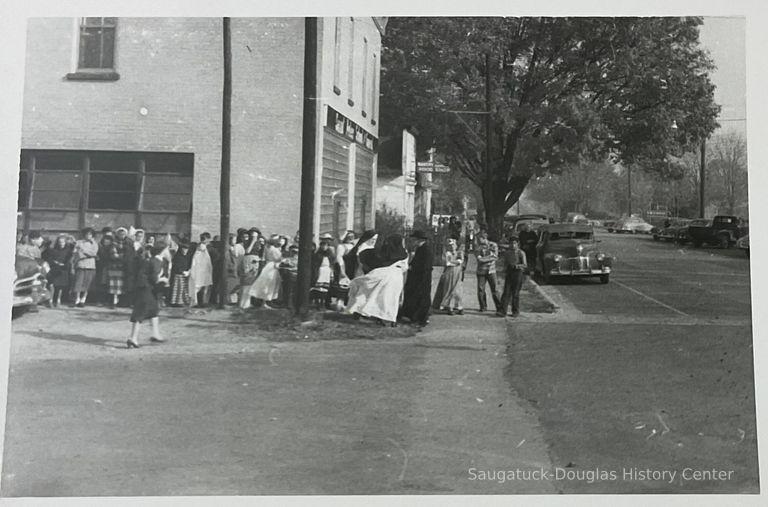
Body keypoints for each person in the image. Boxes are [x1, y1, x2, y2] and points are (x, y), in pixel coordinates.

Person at [345, 234, 409, 326]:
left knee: (366, 291)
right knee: (391, 298)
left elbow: (374, 260)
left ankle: (358, 311)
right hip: (397, 277)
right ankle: (390, 319)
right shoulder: (404, 254)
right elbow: (405, 268)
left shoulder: (385, 252)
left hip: (382, 274)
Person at [127, 239, 170, 348]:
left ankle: (155, 334)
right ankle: (133, 338)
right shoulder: (155, 261)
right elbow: (154, 278)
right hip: (145, 289)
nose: (168, 251)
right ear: (163, 250)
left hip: (148, 289)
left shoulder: (157, 260)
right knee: (141, 312)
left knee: (154, 310)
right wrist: (164, 280)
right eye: (167, 249)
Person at [399, 230, 433, 327]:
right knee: (415, 296)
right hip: (417, 277)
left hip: (422, 277)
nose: (412, 242)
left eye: (414, 240)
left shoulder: (425, 250)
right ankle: (413, 316)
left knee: (421, 297)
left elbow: (425, 266)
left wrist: (413, 268)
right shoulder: (420, 249)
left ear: (419, 240)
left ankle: (421, 318)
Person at [246, 235, 283, 308]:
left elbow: (264, 257)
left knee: (266, 283)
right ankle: (265, 302)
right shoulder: (274, 249)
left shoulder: (266, 248)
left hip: (267, 265)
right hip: (273, 266)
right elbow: (278, 259)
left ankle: (264, 302)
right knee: (269, 283)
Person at [431, 237, 464, 315]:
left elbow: (461, 261)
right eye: (450, 245)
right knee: (449, 289)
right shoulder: (447, 253)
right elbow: (447, 263)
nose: (452, 247)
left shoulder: (459, 252)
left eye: (453, 245)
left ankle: (459, 306)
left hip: (458, 273)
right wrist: (456, 262)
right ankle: (449, 307)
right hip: (449, 273)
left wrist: (455, 262)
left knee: (458, 290)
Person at [498, 235, 527, 318]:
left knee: (515, 293)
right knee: (506, 292)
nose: (513, 245)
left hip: (518, 274)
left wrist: (517, 266)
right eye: (511, 243)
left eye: (514, 243)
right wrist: (503, 272)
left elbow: (525, 265)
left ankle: (515, 311)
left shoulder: (521, 253)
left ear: (517, 244)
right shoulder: (507, 253)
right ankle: (503, 311)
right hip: (509, 273)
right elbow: (505, 264)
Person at [71, 228, 99, 307]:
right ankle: (77, 299)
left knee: (88, 283)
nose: (88, 236)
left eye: (90, 234)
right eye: (87, 234)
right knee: (78, 282)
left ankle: (83, 299)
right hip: (81, 264)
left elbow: (94, 253)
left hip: (90, 265)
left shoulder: (94, 243)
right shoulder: (79, 242)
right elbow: (75, 253)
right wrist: (84, 254)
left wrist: (83, 251)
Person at [474, 230, 501, 313]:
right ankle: (483, 306)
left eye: (479, 239)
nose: (477, 241)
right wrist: (489, 258)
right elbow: (479, 260)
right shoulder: (478, 247)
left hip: (491, 270)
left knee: (495, 289)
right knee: (481, 289)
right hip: (481, 271)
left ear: (483, 238)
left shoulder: (493, 245)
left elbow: (495, 257)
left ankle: (499, 307)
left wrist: (485, 259)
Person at [43, 235, 72, 307]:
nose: (61, 243)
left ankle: (58, 301)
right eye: (59, 242)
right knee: (52, 285)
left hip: (63, 270)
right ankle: (50, 300)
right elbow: (49, 259)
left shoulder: (68, 251)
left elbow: (69, 261)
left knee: (60, 287)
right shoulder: (53, 250)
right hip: (54, 269)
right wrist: (55, 262)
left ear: (65, 243)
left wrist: (64, 265)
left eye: (63, 242)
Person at [189, 232, 214, 307]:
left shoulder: (204, 248)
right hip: (201, 269)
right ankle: (200, 302)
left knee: (203, 285)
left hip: (203, 269)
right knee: (200, 285)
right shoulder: (202, 247)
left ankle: (202, 302)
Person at [169, 238, 192, 307]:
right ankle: (177, 302)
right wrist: (182, 271)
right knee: (179, 288)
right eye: (183, 249)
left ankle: (183, 301)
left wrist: (188, 271)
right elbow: (176, 266)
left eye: (186, 249)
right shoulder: (177, 257)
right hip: (178, 275)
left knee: (184, 289)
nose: (185, 251)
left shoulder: (187, 257)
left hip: (185, 274)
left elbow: (188, 264)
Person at [278, 244, 299, 310]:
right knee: (287, 290)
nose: (294, 254)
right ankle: (286, 304)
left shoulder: (300, 259)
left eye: (296, 252)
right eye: (293, 251)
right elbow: (281, 266)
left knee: (294, 291)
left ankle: (293, 304)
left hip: (296, 275)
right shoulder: (286, 259)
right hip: (288, 275)